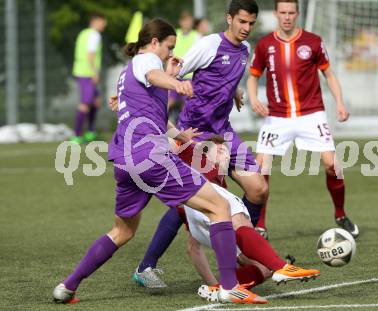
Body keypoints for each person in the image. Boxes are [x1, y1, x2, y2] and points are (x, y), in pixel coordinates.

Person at [53, 18, 266, 305]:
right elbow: (154, 76)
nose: (170, 53)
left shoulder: (130, 71)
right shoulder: (146, 60)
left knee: (122, 231)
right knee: (220, 206)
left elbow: (154, 110)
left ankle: (68, 286)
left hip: (125, 162)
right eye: (169, 47)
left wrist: (180, 134)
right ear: (154, 43)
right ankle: (229, 286)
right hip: (151, 157)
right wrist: (177, 84)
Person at [132, 138, 320, 293]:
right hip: (167, 177)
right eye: (219, 150)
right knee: (239, 221)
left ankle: (227, 286)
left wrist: (212, 284)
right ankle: (280, 266)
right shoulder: (199, 164)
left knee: (263, 268)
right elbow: (168, 142)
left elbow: (192, 247)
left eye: (225, 151)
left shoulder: (219, 183)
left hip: (207, 220)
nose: (224, 154)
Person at [247, 0, 359, 239]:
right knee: (261, 166)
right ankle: (260, 225)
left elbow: (329, 74)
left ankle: (340, 214)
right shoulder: (265, 44)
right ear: (276, 14)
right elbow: (253, 76)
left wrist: (339, 102)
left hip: (311, 113)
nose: (287, 17)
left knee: (332, 165)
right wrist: (254, 97)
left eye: (291, 12)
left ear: (297, 13)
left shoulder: (313, 41)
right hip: (277, 116)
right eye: (283, 13)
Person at [177, 0, 268, 228]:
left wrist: (234, 90)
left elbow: (223, 76)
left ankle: (247, 240)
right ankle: (147, 262)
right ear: (229, 18)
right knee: (194, 210)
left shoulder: (245, 50)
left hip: (223, 132)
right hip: (196, 133)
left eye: (251, 23)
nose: (247, 28)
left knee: (259, 189)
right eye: (242, 21)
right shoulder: (209, 44)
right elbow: (175, 72)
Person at [71, 13, 107, 144]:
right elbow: (90, 54)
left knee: (96, 101)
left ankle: (91, 132)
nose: (104, 25)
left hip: (81, 71)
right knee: (85, 104)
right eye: (103, 22)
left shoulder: (83, 33)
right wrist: (94, 72)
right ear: (96, 21)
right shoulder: (94, 34)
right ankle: (77, 135)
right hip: (87, 73)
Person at [168, 11, 200, 122]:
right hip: (175, 76)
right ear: (181, 22)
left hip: (190, 76)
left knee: (186, 105)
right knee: (169, 102)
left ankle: (181, 129)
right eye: (185, 21)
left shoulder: (196, 36)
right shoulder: (175, 35)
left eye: (190, 21)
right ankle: (158, 121)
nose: (188, 23)